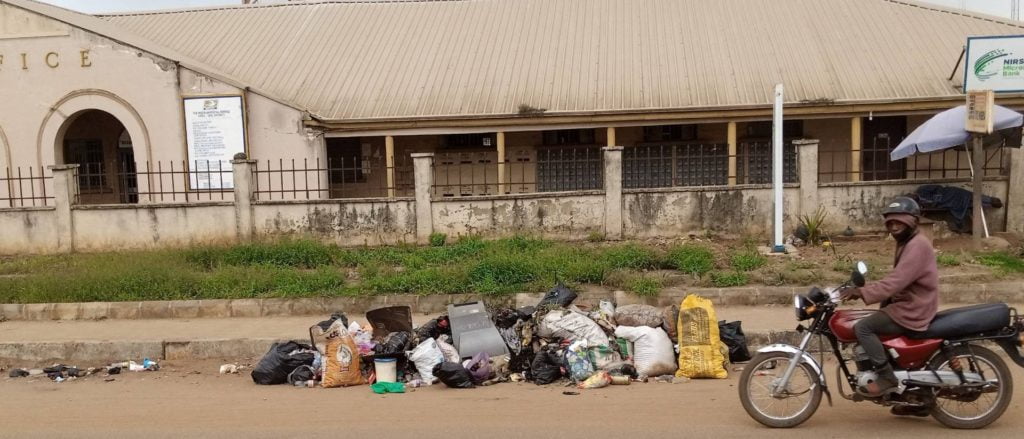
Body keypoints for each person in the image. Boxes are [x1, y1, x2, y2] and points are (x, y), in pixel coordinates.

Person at [841, 197, 939, 405]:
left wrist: (862, 292)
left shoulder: (917, 245)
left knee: (864, 327)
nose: (894, 226)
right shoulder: (908, 242)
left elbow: (896, 281)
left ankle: (886, 377)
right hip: (909, 302)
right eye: (890, 222)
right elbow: (898, 280)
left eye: (899, 222)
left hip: (913, 307)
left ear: (912, 221)